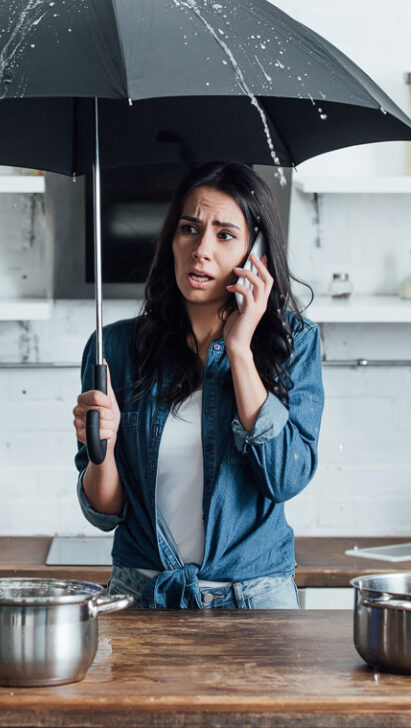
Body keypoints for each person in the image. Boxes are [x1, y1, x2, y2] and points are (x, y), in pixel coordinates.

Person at [72, 162, 324, 610]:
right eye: (190, 229)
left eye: (225, 235)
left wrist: (240, 350)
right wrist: (103, 448)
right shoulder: (114, 347)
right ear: (172, 238)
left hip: (255, 602)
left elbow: (285, 476)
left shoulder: (295, 343)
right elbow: (104, 512)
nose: (201, 249)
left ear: (257, 254)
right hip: (142, 597)